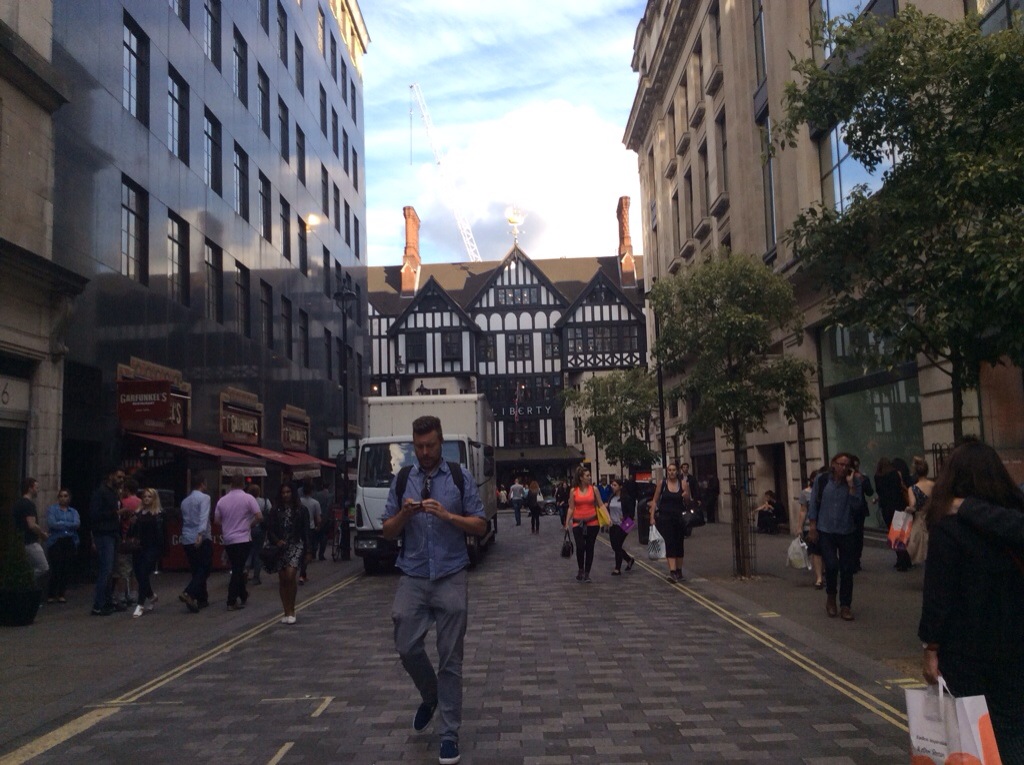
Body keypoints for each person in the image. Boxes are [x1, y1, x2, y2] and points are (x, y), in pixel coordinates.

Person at [382, 415, 487, 765]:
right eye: (419, 446)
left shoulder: (459, 477)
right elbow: (387, 531)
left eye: (430, 445)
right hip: (413, 575)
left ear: (441, 442)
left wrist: (447, 516)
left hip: (451, 574)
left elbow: (480, 524)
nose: (424, 452)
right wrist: (403, 515)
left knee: (450, 659)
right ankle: (431, 696)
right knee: (405, 644)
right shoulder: (403, 479)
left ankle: (449, 735)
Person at [918, 441, 1024, 760]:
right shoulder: (1013, 520)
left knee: (969, 734)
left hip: (964, 650)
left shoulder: (948, 527)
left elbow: (938, 595)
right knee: (1012, 727)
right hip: (1015, 643)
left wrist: (931, 648)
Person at [807, 453, 864, 621]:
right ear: (833, 464)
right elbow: (813, 503)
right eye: (840, 464)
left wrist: (851, 486)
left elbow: (857, 507)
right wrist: (812, 526)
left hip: (847, 530)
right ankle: (831, 597)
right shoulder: (822, 480)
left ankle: (845, 605)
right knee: (831, 565)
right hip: (826, 530)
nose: (843, 468)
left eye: (846, 465)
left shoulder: (855, 482)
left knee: (847, 569)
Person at [214, 474, 263, 611]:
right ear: (243, 484)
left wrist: (227, 525)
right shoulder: (248, 498)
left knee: (237, 566)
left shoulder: (222, 500)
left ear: (231, 484)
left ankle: (243, 594)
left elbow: (217, 520)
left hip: (228, 539)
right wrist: (249, 524)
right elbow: (259, 516)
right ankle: (231, 600)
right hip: (243, 538)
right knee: (237, 569)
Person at [263, 483, 310, 624]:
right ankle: (286, 611)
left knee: (290, 575)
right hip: (280, 547)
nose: (285, 495)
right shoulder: (275, 510)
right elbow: (270, 529)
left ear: (293, 493)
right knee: (283, 579)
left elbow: (306, 531)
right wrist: (277, 541)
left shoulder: (302, 510)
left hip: (296, 544)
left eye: (288, 492)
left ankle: (292, 610)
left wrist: (309, 551)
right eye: (283, 492)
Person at [89, 467, 125, 616]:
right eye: (119, 477)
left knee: (111, 570)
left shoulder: (113, 493)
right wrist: (115, 513)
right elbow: (95, 514)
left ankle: (107, 600)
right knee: (106, 569)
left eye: (122, 478)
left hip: (112, 532)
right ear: (111, 476)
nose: (121, 480)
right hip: (104, 534)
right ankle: (99, 604)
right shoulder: (101, 493)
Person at [126, 488, 166, 618]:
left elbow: (163, 534)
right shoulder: (138, 513)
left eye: (149, 496)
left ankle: (140, 604)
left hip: (152, 548)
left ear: (154, 498)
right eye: (145, 496)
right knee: (139, 575)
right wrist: (132, 524)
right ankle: (151, 595)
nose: (147, 499)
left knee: (143, 572)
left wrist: (162, 550)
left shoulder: (159, 514)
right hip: (139, 547)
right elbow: (131, 532)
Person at [650, 463, 691, 583]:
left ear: (677, 471)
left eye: (673, 470)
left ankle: (679, 571)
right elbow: (654, 501)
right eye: (669, 470)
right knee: (670, 543)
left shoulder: (683, 484)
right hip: (665, 519)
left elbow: (688, 502)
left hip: (679, 519)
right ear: (667, 472)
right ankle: (672, 572)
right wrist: (652, 517)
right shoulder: (662, 484)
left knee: (679, 544)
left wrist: (686, 496)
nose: (671, 472)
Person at [565, 466, 606, 584]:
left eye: (589, 475)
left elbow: (601, 504)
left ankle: (587, 573)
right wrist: (566, 522)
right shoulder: (573, 491)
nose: (590, 477)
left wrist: (607, 518)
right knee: (580, 546)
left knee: (589, 547)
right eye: (587, 476)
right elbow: (571, 508)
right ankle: (580, 569)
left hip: (593, 522)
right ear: (581, 477)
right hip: (578, 523)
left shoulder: (594, 489)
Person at [179, 476, 212, 612]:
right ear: (202, 484)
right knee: (205, 568)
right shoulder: (205, 498)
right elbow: (203, 517)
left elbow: (184, 520)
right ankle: (189, 592)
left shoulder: (184, 501)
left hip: (187, 537)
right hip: (201, 538)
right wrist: (200, 534)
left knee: (196, 569)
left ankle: (201, 599)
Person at [875, 457, 910, 571]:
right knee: (902, 535)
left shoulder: (877, 477)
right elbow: (899, 487)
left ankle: (900, 559)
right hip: (899, 506)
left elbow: (879, 491)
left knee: (894, 535)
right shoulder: (895, 474)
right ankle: (905, 560)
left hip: (887, 508)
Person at [45, 488, 80, 603]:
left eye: (65, 496)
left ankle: (61, 593)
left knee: (66, 567)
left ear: (69, 498)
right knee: (56, 566)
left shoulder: (73, 511)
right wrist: (68, 524)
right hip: (56, 540)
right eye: (61, 496)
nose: (63, 498)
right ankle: (51, 593)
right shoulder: (52, 510)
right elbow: (52, 523)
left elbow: (76, 524)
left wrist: (61, 523)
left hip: (69, 540)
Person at [13, 477, 49, 586]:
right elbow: (32, 525)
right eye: (36, 488)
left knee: (30, 565)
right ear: (30, 488)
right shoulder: (29, 504)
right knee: (43, 567)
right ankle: (24, 579)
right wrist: (42, 534)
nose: (37, 490)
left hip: (22, 541)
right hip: (31, 542)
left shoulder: (17, 504)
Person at [796, 471, 825, 589]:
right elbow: (803, 510)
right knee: (816, 551)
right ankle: (819, 578)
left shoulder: (825, 491)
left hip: (825, 526)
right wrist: (799, 527)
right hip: (810, 526)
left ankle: (824, 571)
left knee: (825, 551)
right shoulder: (805, 493)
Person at [905, 455, 934, 567]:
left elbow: (913, 505)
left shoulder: (912, 489)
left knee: (920, 545)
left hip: (920, 519)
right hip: (932, 517)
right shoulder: (934, 485)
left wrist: (907, 509)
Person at [607, 478, 636, 575]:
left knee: (617, 545)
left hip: (625, 524)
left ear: (620, 487)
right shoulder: (611, 497)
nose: (612, 487)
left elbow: (631, 513)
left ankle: (617, 568)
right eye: (612, 485)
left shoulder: (626, 498)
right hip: (613, 524)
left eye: (615, 485)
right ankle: (629, 559)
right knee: (614, 546)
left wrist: (625, 517)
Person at [297, 479, 321, 584]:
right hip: (310, 530)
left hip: (298, 529)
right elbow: (318, 518)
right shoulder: (315, 503)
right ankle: (302, 575)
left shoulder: (298, 502)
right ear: (311, 491)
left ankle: (303, 574)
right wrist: (318, 527)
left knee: (299, 551)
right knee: (307, 552)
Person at [245, 484, 270, 585]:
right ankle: (256, 577)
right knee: (258, 553)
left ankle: (245, 572)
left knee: (248, 551)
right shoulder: (265, 501)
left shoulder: (246, 501)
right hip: (260, 529)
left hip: (247, 528)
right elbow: (270, 512)